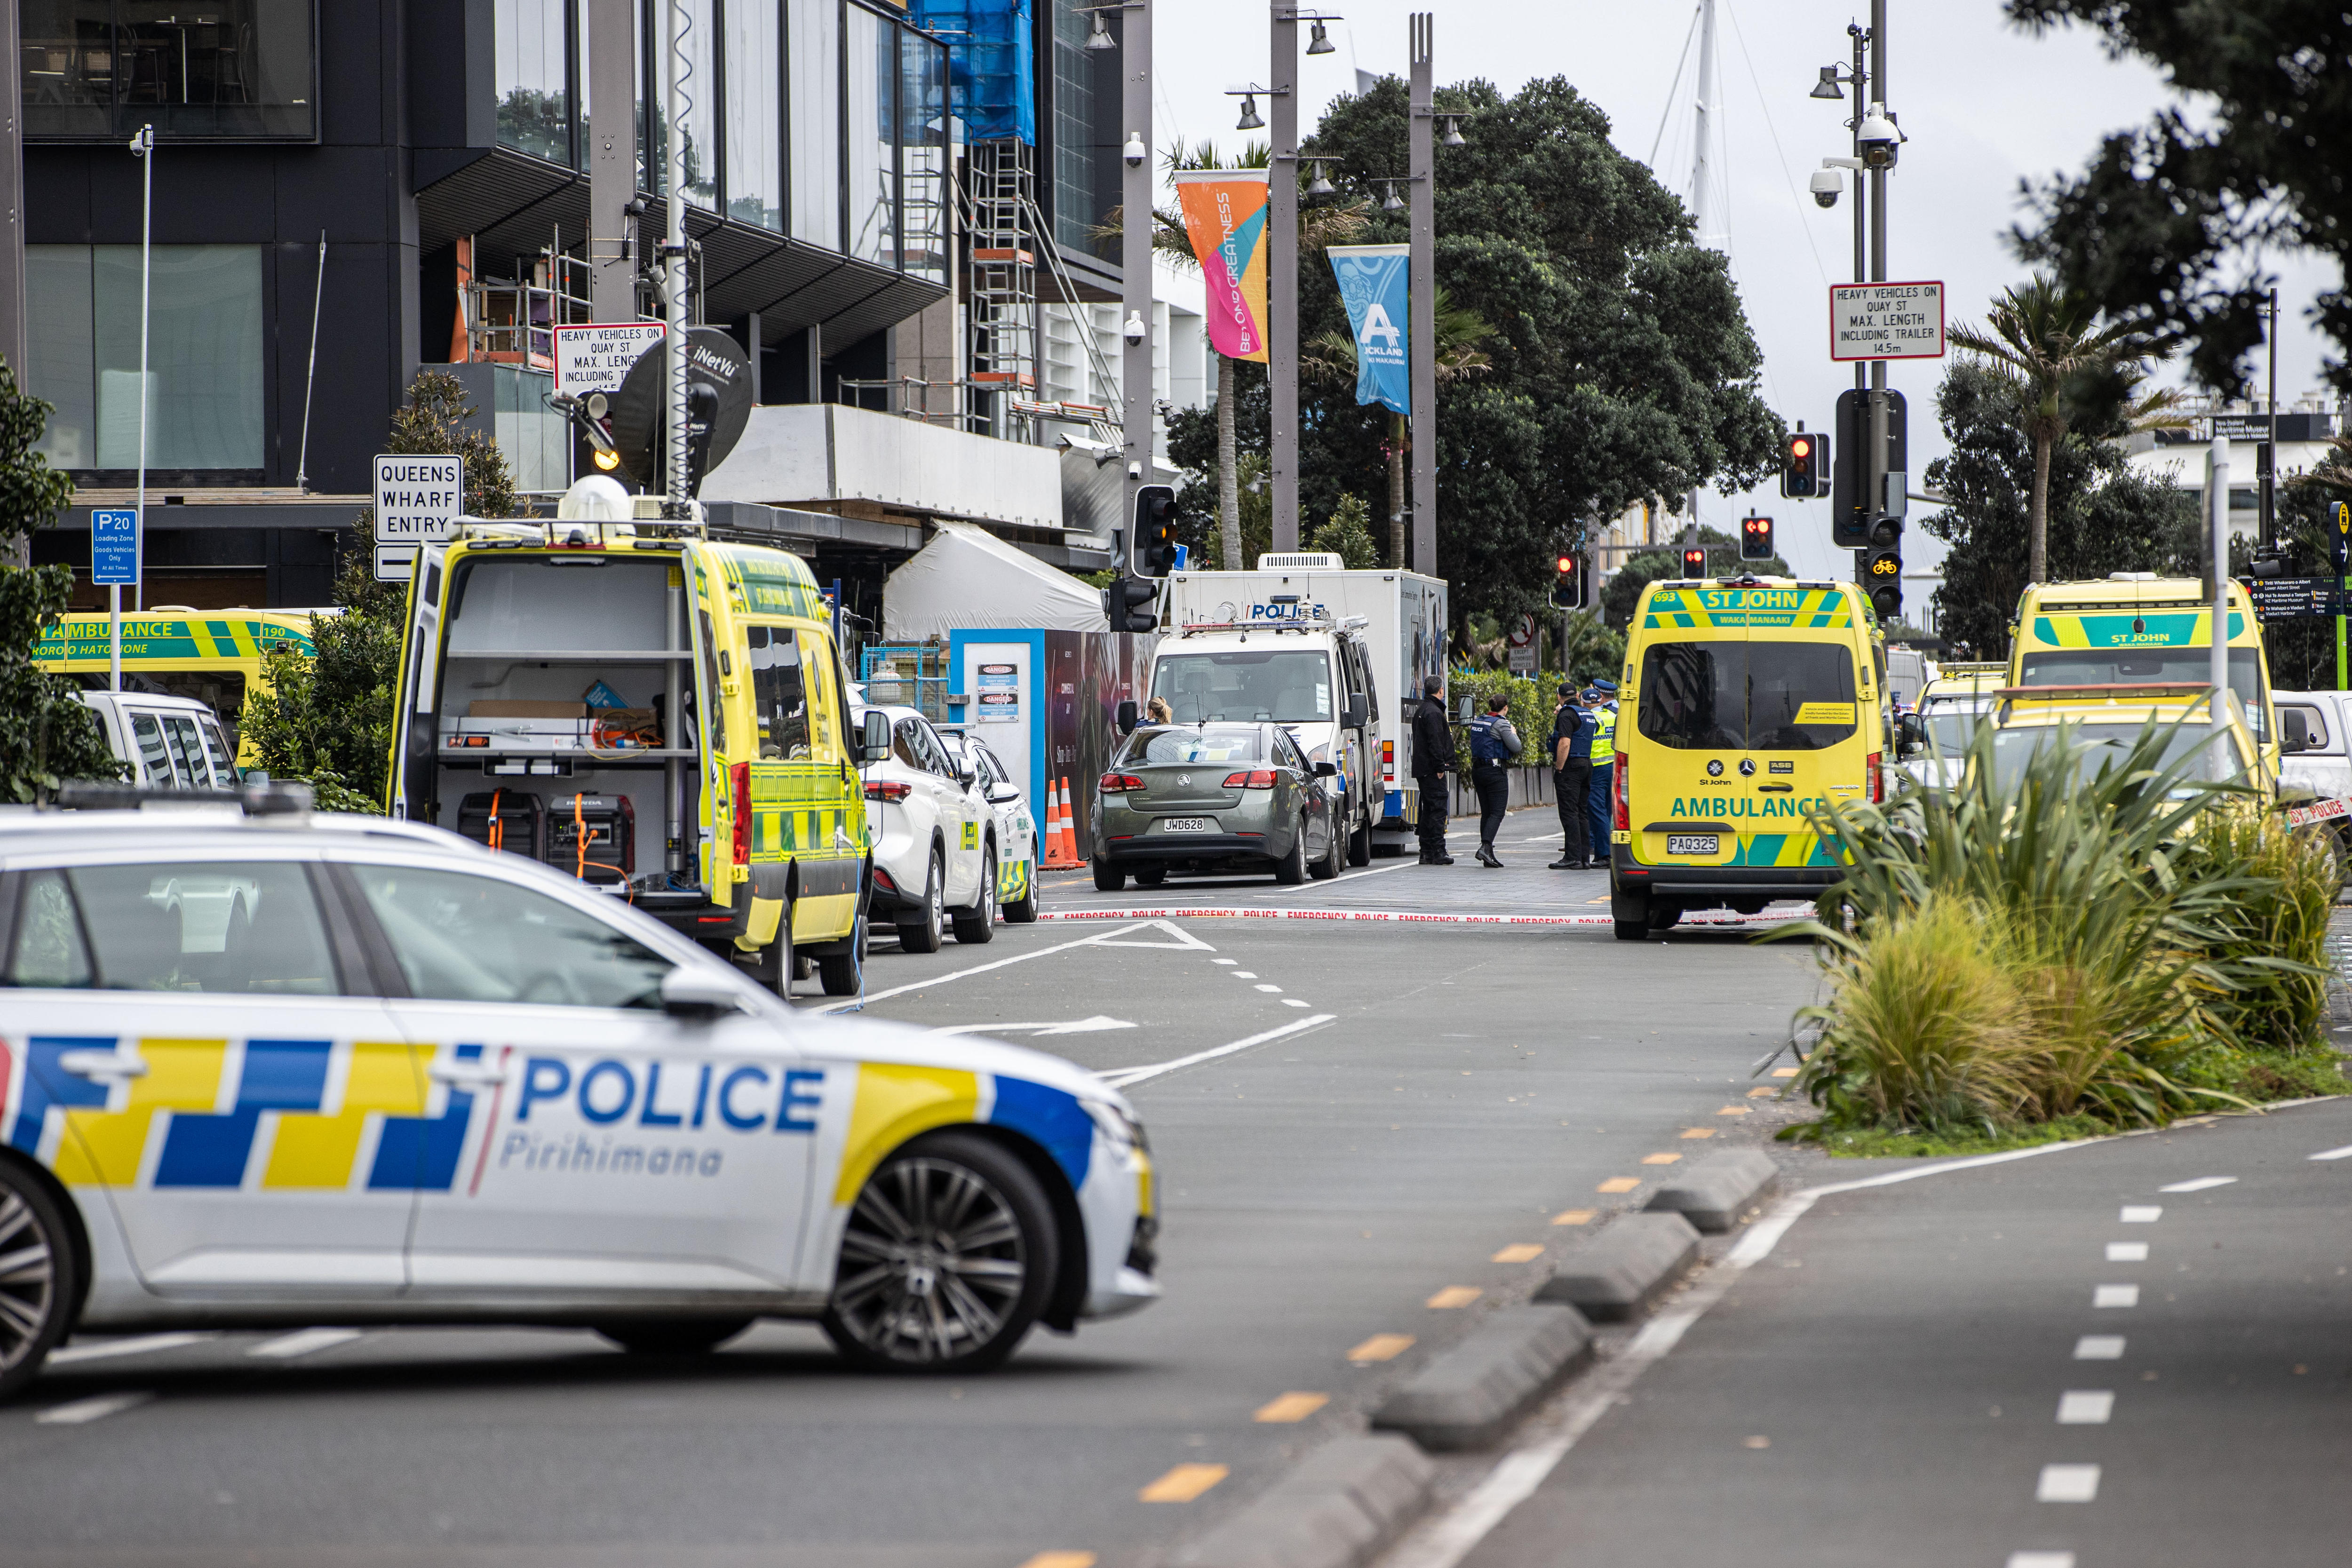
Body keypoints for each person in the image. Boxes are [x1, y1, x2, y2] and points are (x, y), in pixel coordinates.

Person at [1466, 692, 1522, 868]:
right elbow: (1516, 746)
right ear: (1505, 708)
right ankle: (1485, 847)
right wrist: (1513, 732)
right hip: (1494, 771)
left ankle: (1488, 853)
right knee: (1497, 813)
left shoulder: (1479, 721)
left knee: (1487, 813)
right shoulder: (1502, 724)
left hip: (1477, 770)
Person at [1409, 674, 1455, 865]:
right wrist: (1440, 766)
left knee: (1428, 810)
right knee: (1437, 809)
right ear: (1441, 690)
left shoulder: (1422, 710)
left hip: (1422, 769)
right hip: (1432, 769)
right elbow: (1435, 742)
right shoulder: (1435, 713)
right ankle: (1438, 850)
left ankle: (1426, 851)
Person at [1549, 684, 1593, 869]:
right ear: (1576, 695)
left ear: (1560, 697)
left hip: (1571, 767)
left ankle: (1572, 857)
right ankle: (1584, 858)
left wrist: (1559, 768)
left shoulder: (1566, 715)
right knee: (1582, 812)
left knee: (1569, 812)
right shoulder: (1587, 713)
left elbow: (1565, 743)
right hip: (1587, 765)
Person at [1585, 677, 1619, 868]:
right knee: (1607, 809)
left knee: (1597, 809)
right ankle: (1602, 852)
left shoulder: (1598, 715)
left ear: (1600, 696)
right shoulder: (1620, 713)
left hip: (1598, 768)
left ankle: (1605, 853)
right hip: (1615, 766)